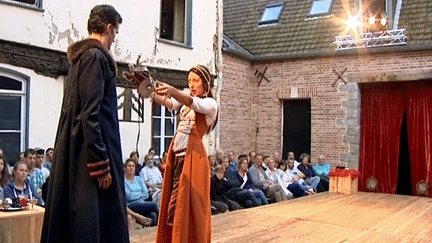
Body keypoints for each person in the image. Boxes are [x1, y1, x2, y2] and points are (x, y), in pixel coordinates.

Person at [41, 5, 129, 243]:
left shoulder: (81, 59)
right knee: (94, 227)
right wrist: (100, 164)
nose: (114, 39)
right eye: (115, 33)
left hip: (79, 153)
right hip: (89, 160)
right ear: (108, 28)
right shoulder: (95, 57)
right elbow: (90, 115)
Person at [128, 64, 218, 242]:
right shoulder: (185, 102)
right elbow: (168, 101)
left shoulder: (210, 104)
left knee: (188, 203)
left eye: (196, 81)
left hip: (193, 158)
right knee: (174, 202)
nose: (192, 84)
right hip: (178, 155)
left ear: (206, 84)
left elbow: (192, 102)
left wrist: (172, 90)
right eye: (190, 80)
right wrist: (148, 88)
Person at [125, 158, 159, 226]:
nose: (131, 168)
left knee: (153, 215)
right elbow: (129, 197)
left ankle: (154, 235)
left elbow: (146, 194)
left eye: (133, 166)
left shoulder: (139, 179)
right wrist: (140, 194)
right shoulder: (123, 182)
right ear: (125, 168)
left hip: (142, 204)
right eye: (129, 166)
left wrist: (135, 194)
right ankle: (164, 226)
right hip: (131, 205)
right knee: (155, 205)